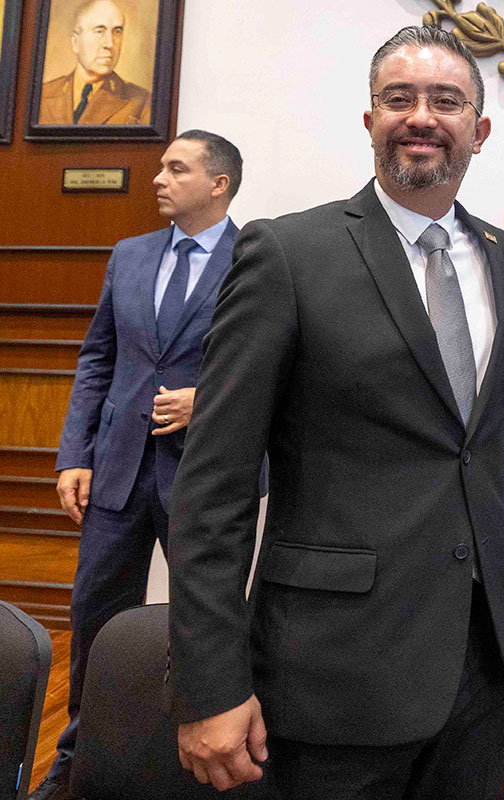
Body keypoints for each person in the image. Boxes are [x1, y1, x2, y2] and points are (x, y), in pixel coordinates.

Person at [168, 25, 504, 798]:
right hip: (332, 670)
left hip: (481, 657)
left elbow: (489, 397)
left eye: (446, 101)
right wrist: (210, 686)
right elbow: (214, 487)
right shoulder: (286, 254)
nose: (422, 116)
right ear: (370, 120)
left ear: (479, 130)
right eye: (399, 98)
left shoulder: (502, 256)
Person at [30, 129, 242, 800]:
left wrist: (208, 400)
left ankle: (201, 762)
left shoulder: (258, 259)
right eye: (160, 166)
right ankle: (76, 759)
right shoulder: (129, 254)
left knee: (207, 622)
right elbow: (98, 358)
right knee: (94, 614)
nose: (158, 178)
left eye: (177, 168)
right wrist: (75, 454)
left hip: (205, 474)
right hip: (116, 470)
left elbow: (278, 366)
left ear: (219, 184)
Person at [38, 0, 150, 126]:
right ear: (75, 42)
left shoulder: (141, 102)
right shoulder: (43, 95)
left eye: (117, 31)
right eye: (99, 31)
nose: (110, 43)